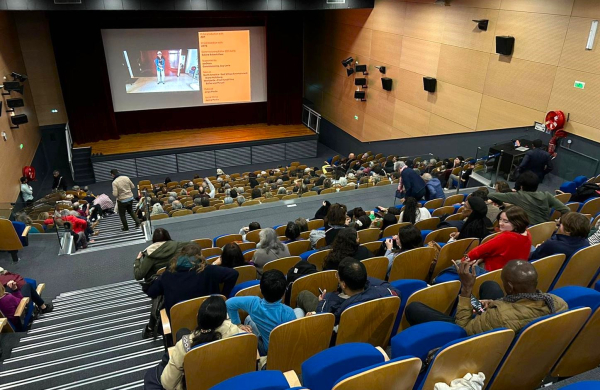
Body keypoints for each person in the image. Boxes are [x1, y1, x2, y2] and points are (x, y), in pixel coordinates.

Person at [406, 260, 568, 335]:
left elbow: (464, 328)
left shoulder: (499, 317)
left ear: (510, 287)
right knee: (489, 285)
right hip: (515, 323)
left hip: (480, 335)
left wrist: (467, 290)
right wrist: (495, 303)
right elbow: (520, 310)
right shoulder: (556, 302)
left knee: (414, 308)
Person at [157, 296, 242, 390]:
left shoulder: (184, 345)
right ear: (223, 319)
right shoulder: (236, 332)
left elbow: (167, 384)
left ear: (197, 316)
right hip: (230, 382)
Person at [146, 244, 238, 319]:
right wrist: (223, 296)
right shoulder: (209, 270)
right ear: (200, 256)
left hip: (179, 321)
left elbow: (151, 292)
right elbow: (233, 274)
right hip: (211, 315)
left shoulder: (167, 275)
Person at [294, 258, 399, 324]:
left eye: (337, 275)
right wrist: (362, 278)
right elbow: (396, 291)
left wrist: (321, 301)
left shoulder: (332, 303)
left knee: (303, 294)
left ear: (343, 284)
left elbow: (322, 320)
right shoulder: (382, 292)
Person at [225, 270, 296, 355]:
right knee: (298, 310)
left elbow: (229, 303)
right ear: (284, 292)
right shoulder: (288, 312)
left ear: (260, 289)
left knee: (248, 318)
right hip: (284, 348)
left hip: (266, 349)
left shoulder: (253, 303)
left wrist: (238, 324)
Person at [488, 171, 570, 225]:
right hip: (547, 229)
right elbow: (566, 210)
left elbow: (491, 195)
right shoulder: (547, 195)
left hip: (528, 232)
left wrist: (501, 203)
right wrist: (560, 223)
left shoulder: (516, 196)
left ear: (521, 186)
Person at [466, 206, 532, 272]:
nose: (500, 223)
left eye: (505, 221)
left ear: (517, 223)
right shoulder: (527, 233)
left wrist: (465, 260)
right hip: (514, 270)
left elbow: (477, 252)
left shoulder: (506, 237)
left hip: (494, 271)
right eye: (500, 219)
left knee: (459, 263)